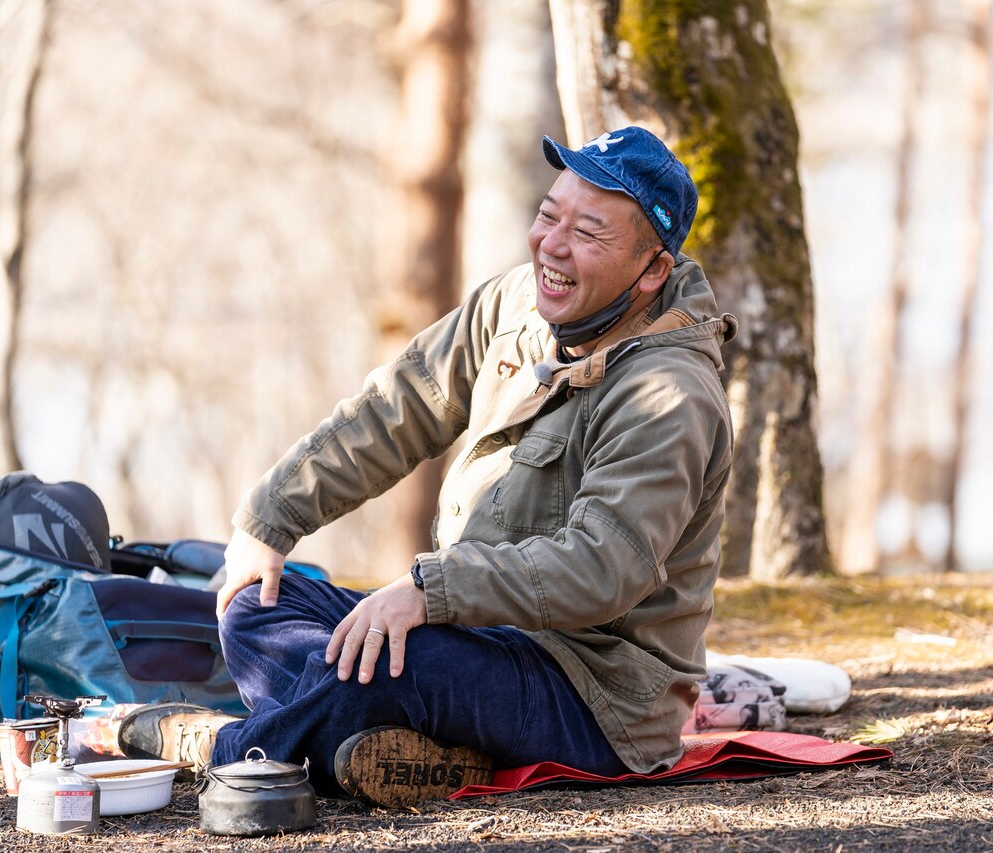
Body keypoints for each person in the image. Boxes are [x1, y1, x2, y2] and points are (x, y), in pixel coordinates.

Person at [118, 125, 736, 808]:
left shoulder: (668, 393)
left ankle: (230, 748)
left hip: (589, 691)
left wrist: (429, 591)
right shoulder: (514, 306)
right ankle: (406, 753)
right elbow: (399, 408)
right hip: (472, 636)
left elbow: (600, 567)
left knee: (386, 667)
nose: (552, 245)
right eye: (548, 214)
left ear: (652, 271)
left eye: (588, 233)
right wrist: (272, 517)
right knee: (258, 603)